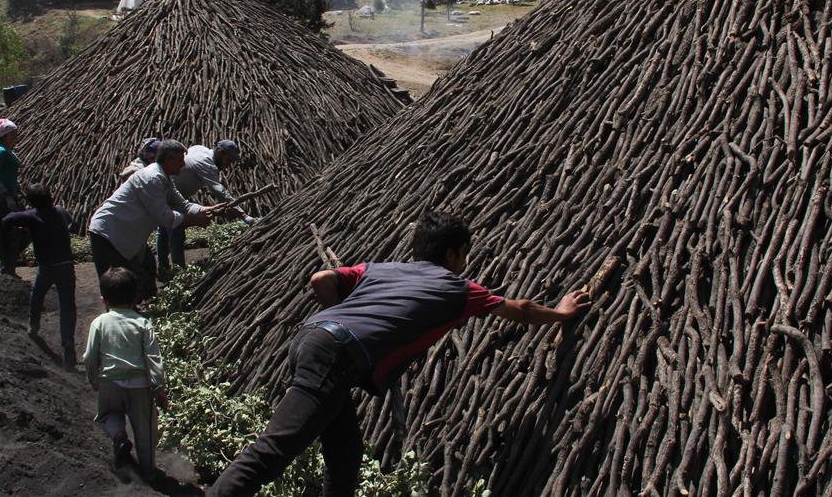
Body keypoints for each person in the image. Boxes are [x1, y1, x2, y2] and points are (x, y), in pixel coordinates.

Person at [208, 211, 593, 496]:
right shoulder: (459, 288)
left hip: (313, 337)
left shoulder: (381, 268)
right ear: (456, 253)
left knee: (346, 453)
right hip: (337, 355)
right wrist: (561, 313)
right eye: (464, 254)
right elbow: (519, 310)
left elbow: (321, 279)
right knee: (276, 448)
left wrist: (338, 320)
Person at [88, 139, 219, 301]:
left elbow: (182, 204)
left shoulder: (165, 178)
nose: (183, 164)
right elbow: (164, 216)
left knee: (139, 276)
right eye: (180, 160)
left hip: (126, 234)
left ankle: (138, 310)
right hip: (109, 233)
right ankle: (117, 320)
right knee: (115, 286)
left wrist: (203, 210)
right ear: (168, 160)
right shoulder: (153, 177)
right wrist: (194, 220)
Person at [83, 267, 169, 476]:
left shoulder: (99, 323)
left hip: (110, 383)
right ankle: (148, 469)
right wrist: (159, 387)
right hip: (139, 385)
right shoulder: (142, 324)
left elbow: (89, 356)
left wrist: (94, 379)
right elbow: (153, 358)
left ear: (104, 300)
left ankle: (120, 438)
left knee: (108, 415)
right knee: (145, 429)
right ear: (136, 298)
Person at [4, 183, 78, 370]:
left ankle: (33, 327)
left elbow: (7, 220)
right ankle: (67, 343)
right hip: (66, 265)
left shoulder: (31, 216)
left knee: (37, 295)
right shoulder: (60, 211)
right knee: (67, 306)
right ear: (50, 197)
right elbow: (70, 221)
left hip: (47, 267)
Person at [158, 140, 257, 273]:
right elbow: (219, 190)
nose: (229, 165)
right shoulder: (206, 163)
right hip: (171, 196)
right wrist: (244, 215)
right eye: (228, 159)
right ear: (220, 153)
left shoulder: (199, 148)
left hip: (173, 194)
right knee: (176, 231)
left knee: (165, 230)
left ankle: (164, 267)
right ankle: (178, 271)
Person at [0, 118, 24, 277]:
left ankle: (10, 267)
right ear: (5, 135)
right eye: (13, 134)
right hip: (4, 200)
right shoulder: (1, 152)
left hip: (11, 196)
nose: (16, 136)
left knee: (17, 233)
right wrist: (8, 197)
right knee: (10, 233)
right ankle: (8, 268)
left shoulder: (7, 150)